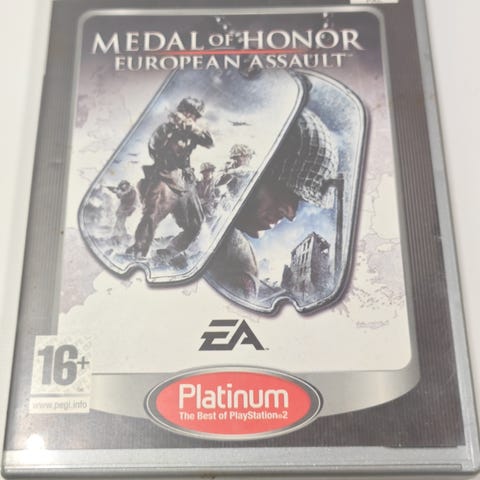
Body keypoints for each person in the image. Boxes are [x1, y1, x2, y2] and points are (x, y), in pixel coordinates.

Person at [206, 108, 338, 300]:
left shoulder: (231, 246)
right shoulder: (235, 259)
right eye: (283, 190)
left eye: (298, 200)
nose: (290, 214)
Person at [126, 97, 214, 259]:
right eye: (188, 112)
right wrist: (172, 129)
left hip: (186, 182)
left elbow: (209, 142)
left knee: (195, 223)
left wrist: (193, 129)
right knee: (151, 217)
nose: (191, 116)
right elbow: (153, 147)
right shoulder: (166, 128)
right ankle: (138, 251)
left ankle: (169, 252)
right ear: (182, 111)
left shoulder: (192, 132)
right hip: (165, 177)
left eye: (194, 115)